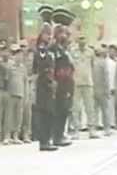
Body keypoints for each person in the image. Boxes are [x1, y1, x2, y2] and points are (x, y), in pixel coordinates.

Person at [49, 8, 76, 147]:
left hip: (67, 83)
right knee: (60, 110)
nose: (66, 36)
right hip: (59, 83)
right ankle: (57, 136)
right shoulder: (54, 49)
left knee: (65, 110)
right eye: (63, 33)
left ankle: (60, 135)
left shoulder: (65, 51)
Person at [33, 19, 58, 151]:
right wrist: (49, 81)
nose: (49, 37)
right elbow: (42, 67)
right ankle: (44, 141)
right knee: (45, 113)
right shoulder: (41, 50)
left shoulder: (48, 50)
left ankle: (47, 139)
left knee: (49, 113)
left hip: (49, 85)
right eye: (47, 34)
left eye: (50, 34)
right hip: (43, 85)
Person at [71, 35, 98, 139]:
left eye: (84, 38)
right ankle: (76, 130)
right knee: (76, 108)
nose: (82, 40)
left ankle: (92, 129)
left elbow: (93, 66)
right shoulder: (73, 51)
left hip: (88, 82)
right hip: (76, 82)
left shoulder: (90, 52)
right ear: (77, 40)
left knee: (90, 107)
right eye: (80, 38)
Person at [5, 43, 27, 144]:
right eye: (17, 54)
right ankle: (7, 136)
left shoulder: (23, 68)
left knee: (18, 116)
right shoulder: (9, 66)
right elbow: (6, 79)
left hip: (20, 93)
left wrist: (25, 95)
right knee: (9, 115)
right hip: (11, 93)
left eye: (21, 55)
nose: (19, 57)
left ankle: (15, 136)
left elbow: (25, 81)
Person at [93, 45, 112, 137]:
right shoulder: (103, 63)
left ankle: (94, 128)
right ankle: (107, 129)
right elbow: (106, 77)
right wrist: (107, 90)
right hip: (102, 89)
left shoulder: (92, 62)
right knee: (105, 110)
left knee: (94, 111)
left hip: (93, 89)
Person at [20, 39, 34, 143]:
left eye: (24, 46)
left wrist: (30, 79)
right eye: (21, 46)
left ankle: (27, 133)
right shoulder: (16, 58)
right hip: (18, 84)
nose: (22, 48)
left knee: (27, 110)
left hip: (29, 84)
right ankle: (18, 133)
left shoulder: (32, 58)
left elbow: (37, 72)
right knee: (19, 110)